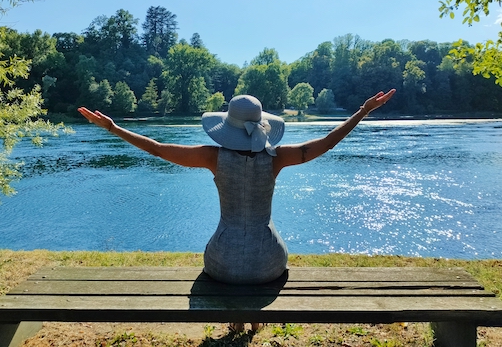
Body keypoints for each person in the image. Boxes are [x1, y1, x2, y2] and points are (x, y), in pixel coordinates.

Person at [78, 88, 395, 332]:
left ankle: (237, 322)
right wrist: (363, 110)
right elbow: (327, 142)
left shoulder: (211, 157)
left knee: (225, 257)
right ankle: (253, 319)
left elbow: (157, 149)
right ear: (262, 124)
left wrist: (113, 127)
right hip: (269, 261)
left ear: (226, 126)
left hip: (223, 263)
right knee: (265, 253)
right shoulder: (278, 157)